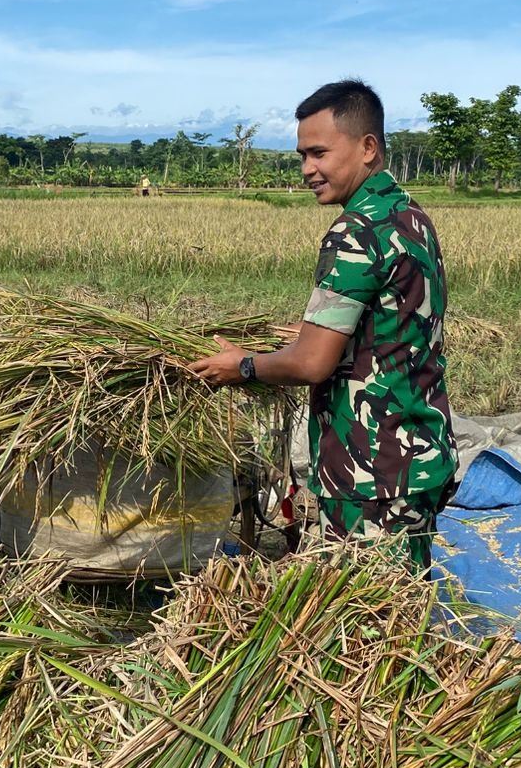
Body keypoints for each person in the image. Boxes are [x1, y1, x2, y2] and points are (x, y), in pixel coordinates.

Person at [189, 79, 455, 573]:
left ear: (367, 147)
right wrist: (311, 333)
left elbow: (313, 364)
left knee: (367, 626)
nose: (307, 169)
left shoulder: (356, 230)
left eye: (319, 153)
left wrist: (242, 366)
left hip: (371, 468)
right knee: (404, 608)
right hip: (418, 452)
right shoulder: (409, 216)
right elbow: (393, 323)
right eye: (301, 155)